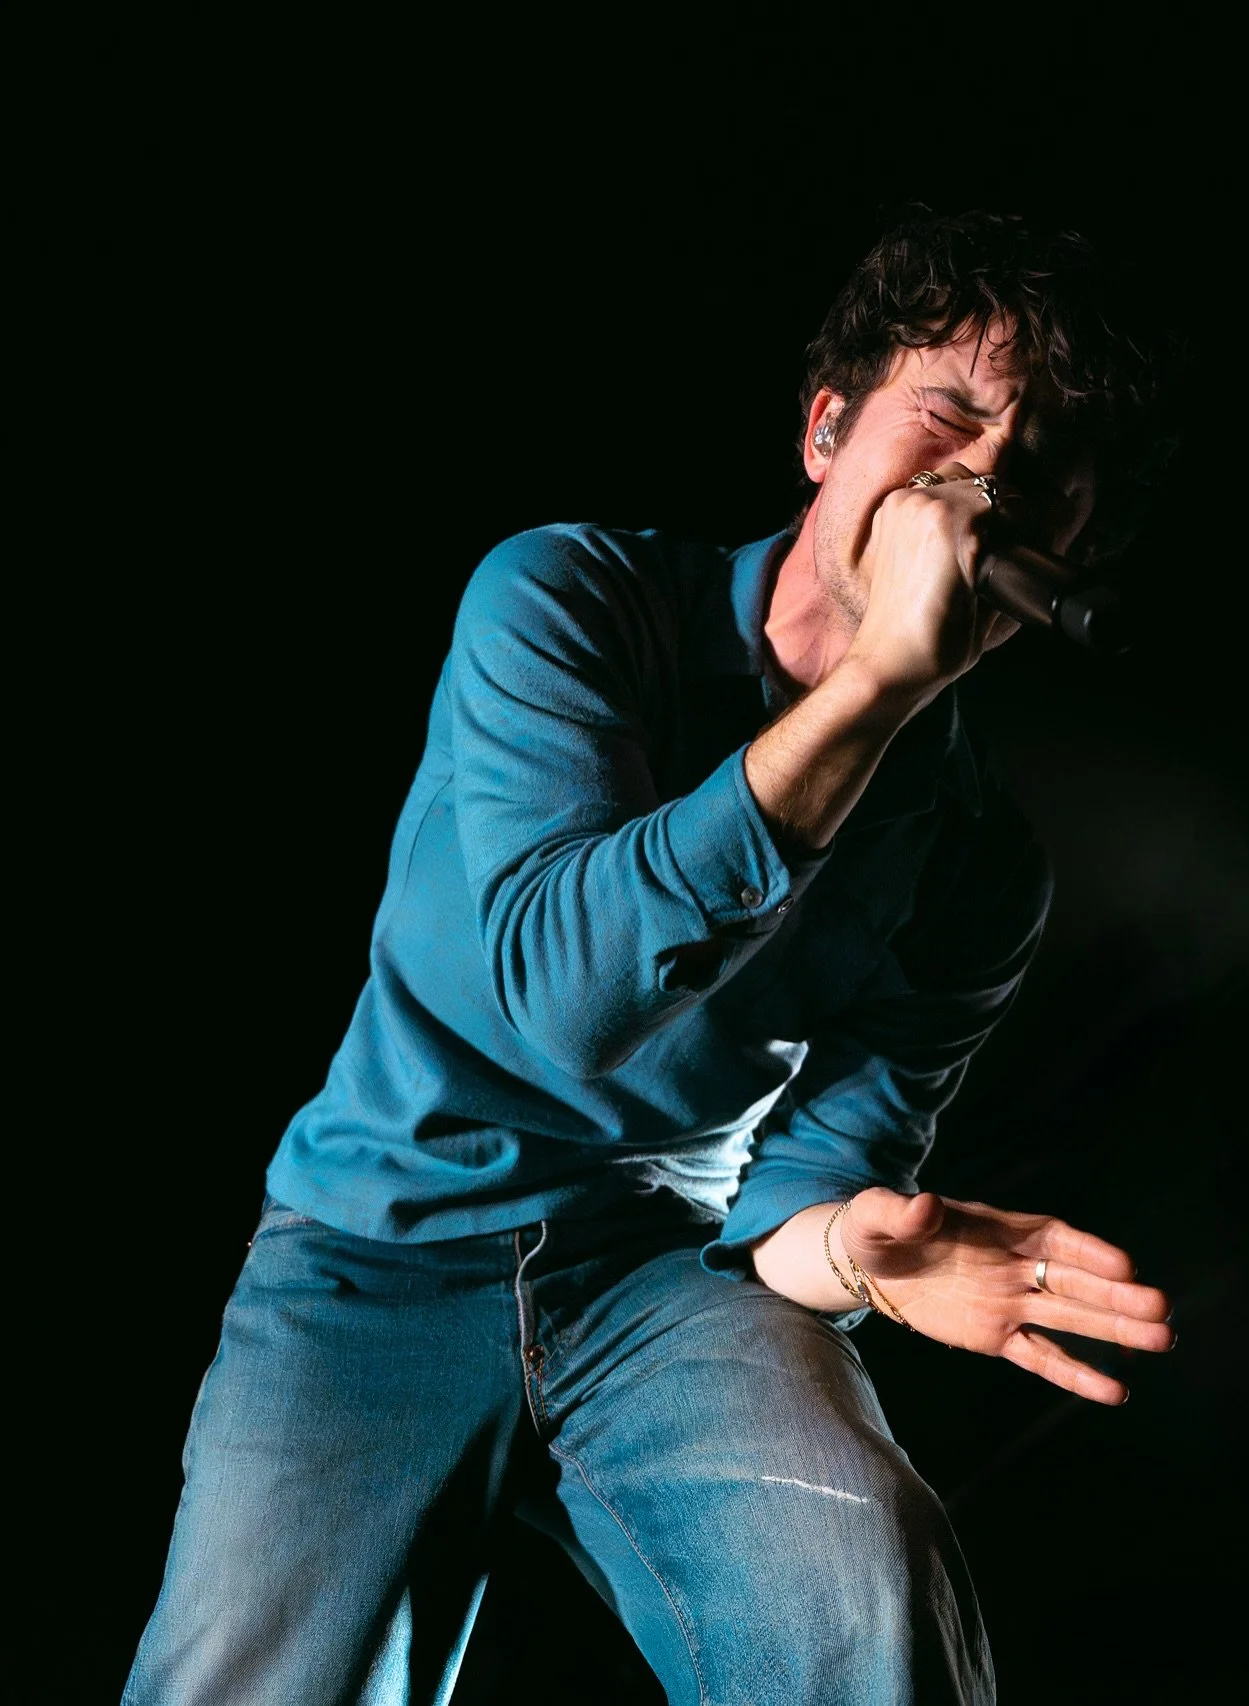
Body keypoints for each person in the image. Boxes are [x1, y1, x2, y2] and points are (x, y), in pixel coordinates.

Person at [124, 206, 1178, 1705]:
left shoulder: (978, 865)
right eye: (948, 414)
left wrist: (859, 1253)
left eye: (1042, 469)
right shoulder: (567, 602)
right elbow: (564, 989)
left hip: (660, 1278)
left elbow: (810, 1181)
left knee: (873, 1591)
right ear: (828, 431)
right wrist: (876, 689)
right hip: (376, 1249)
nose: (983, 481)